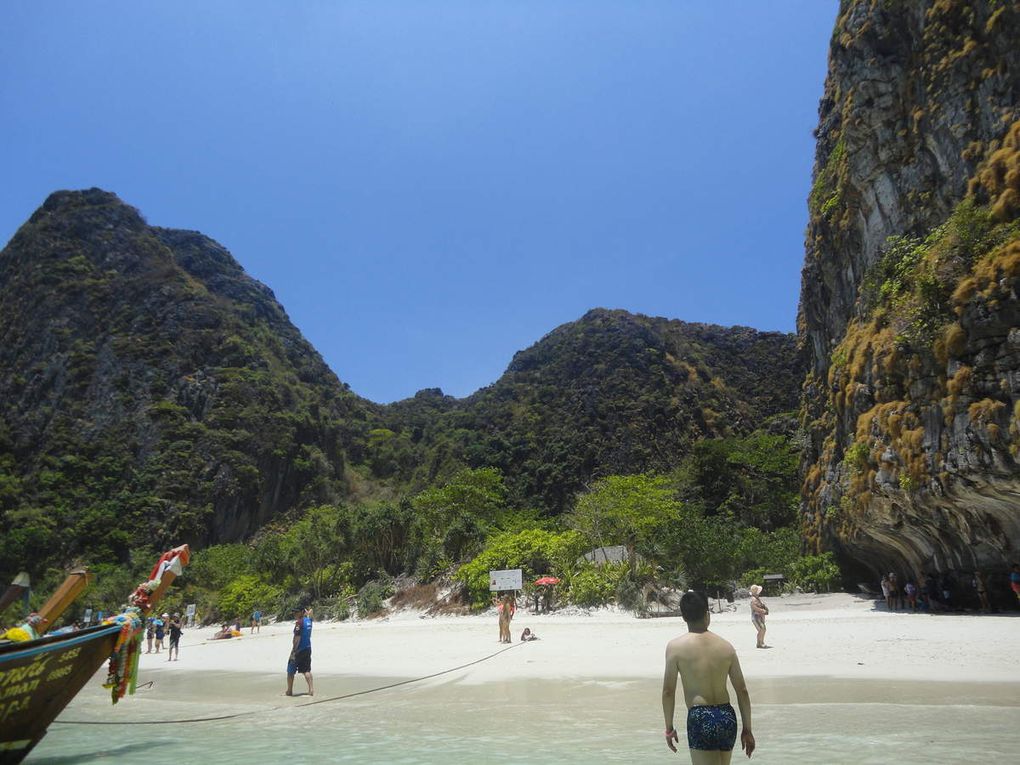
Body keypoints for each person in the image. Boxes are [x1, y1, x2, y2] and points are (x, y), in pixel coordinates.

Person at [662, 591, 755, 762]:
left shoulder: (675, 647)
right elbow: (742, 690)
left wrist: (669, 728)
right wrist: (747, 729)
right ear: (707, 615)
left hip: (700, 715)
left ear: (683, 617)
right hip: (726, 715)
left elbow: (668, 691)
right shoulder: (726, 647)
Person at [286, 606, 314, 697]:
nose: (294, 614)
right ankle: (311, 689)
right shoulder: (309, 621)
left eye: (296, 612)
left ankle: (289, 690)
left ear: (302, 612)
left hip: (299, 649)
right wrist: (309, 614)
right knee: (306, 670)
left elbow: (297, 637)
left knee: (290, 669)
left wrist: (294, 650)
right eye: (294, 612)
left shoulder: (299, 623)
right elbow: (311, 618)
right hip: (307, 648)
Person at [748, 585, 768, 649]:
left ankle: (760, 643)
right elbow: (754, 607)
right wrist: (762, 610)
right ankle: (760, 643)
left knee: (762, 629)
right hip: (756, 617)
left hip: (759, 616)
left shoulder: (756, 598)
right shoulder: (753, 599)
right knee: (762, 629)